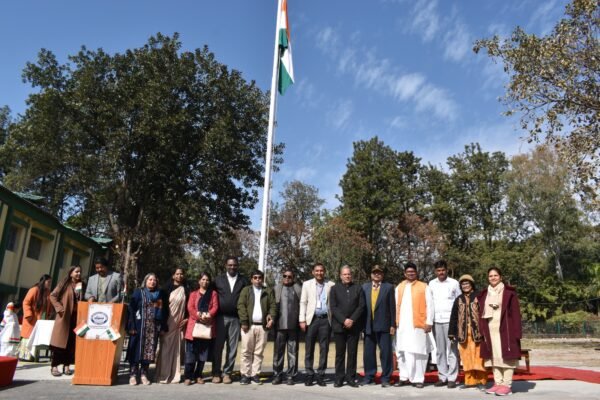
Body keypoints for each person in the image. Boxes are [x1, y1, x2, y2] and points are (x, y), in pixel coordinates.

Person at [477, 267, 522, 396]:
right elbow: (480, 314)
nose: (493, 278)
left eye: (495, 275)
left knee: (507, 357)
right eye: (490, 276)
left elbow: (516, 313)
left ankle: (507, 385)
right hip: (490, 330)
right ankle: (498, 383)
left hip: (506, 330)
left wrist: (517, 332)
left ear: (501, 277)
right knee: (494, 357)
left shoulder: (509, 293)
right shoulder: (484, 294)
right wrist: (481, 330)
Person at [394, 262, 434, 388]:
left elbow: (430, 305)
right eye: (408, 272)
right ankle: (403, 377)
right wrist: (394, 323)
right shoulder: (399, 287)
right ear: (404, 273)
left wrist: (429, 322)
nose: (410, 273)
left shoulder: (424, 286)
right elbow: (395, 305)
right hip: (402, 325)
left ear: (416, 273)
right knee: (402, 351)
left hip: (418, 325)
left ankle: (418, 379)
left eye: (413, 271)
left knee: (419, 352)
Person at [126, 273, 169, 386]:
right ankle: (133, 375)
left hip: (153, 328)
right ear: (145, 281)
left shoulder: (159, 294)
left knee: (149, 352)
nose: (152, 282)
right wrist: (131, 326)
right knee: (136, 350)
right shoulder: (139, 292)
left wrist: (163, 326)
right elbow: (131, 309)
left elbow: (163, 311)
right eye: (150, 280)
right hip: (139, 327)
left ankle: (144, 374)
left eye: (154, 280)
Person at [211, 256, 249, 384]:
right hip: (220, 318)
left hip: (236, 319)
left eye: (234, 265)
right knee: (218, 347)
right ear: (226, 265)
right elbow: (211, 296)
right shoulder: (218, 280)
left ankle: (227, 373)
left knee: (232, 348)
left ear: (238, 266)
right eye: (230, 265)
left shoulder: (243, 280)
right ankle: (216, 373)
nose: (232, 267)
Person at [237, 269, 276, 385]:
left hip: (262, 327)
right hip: (248, 326)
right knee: (246, 351)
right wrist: (244, 321)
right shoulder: (246, 290)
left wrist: (271, 316)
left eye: (260, 278)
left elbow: (273, 306)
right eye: (255, 278)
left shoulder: (268, 291)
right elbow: (241, 305)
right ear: (251, 279)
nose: (258, 280)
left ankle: (255, 375)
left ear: (262, 279)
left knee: (259, 352)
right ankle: (245, 375)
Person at [448, 274, 487, 391]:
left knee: (479, 357)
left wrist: (485, 330)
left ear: (472, 284)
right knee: (466, 357)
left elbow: (484, 313)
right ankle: (470, 381)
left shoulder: (479, 296)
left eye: (467, 283)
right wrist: (451, 333)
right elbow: (454, 317)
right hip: (463, 333)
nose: (465, 286)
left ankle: (481, 380)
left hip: (478, 333)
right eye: (463, 284)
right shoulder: (458, 299)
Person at [299, 263, 335, 387]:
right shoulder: (307, 284)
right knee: (309, 349)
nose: (319, 273)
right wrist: (302, 320)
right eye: (317, 271)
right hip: (312, 320)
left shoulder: (331, 285)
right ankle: (309, 374)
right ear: (313, 272)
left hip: (326, 320)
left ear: (324, 272)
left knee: (324, 349)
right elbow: (303, 302)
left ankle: (321, 375)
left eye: (321, 270)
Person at [329, 265, 365, 388]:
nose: (347, 276)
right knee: (340, 354)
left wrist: (352, 320)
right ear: (341, 276)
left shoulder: (358, 288)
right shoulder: (334, 289)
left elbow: (361, 306)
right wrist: (344, 320)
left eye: (349, 274)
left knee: (352, 353)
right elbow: (333, 307)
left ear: (351, 275)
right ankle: (339, 378)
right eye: (345, 274)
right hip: (339, 326)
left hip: (354, 327)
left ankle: (351, 378)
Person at [361, 265, 396, 388]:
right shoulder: (364, 287)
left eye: (379, 273)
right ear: (371, 275)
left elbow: (392, 307)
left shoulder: (389, 287)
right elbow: (362, 308)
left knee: (385, 353)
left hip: (384, 325)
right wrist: (361, 326)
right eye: (374, 272)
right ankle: (369, 377)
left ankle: (386, 378)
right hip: (368, 325)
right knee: (368, 354)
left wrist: (392, 324)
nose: (377, 274)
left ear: (382, 275)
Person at [429, 260, 461, 388]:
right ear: (435, 271)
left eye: (443, 270)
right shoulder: (431, 284)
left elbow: (459, 301)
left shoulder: (454, 283)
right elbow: (430, 303)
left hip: (450, 321)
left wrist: (457, 321)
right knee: (440, 351)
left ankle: (452, 378)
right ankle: (442, 377)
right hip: (437, 321)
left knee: (452, 350)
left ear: (446, 270)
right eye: (438, 270)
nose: (441, 272)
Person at [49, 265, 85, 377]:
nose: (79, 274)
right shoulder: (64, 284)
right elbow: (53, 296)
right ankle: (54, 366)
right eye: (76, 272)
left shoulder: (82, 285)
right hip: (64, 317)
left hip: (76, 318)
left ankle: (67, 365)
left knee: (71, 343)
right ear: (71, 273)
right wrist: (59, 308)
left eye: (80, 272)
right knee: (59, 343)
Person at [155, 268, 190, 384]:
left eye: (181, 274)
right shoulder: (165, 289)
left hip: (179, 324)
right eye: (177, 274)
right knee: (165, 348)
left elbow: (188, 306)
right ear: (173, 275)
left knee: (177, 349)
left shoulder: (186, 289)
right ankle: (163, 374)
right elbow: (161, 307)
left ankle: (175, 374)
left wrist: (187, 318)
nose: (179, 276)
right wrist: (162, 324)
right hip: (167, 323)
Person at [183, 272, 218, 386]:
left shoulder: (213, 294)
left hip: (206, 326)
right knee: (190, 353)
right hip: (194, 327)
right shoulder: (193, 294)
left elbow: (215, 307)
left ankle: (198, 375)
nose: (205, 282)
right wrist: (199, 316)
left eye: (207, 280)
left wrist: (208, 315)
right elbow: (190, 307)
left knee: (203, 354)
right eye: (203, 279)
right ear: (199, 281)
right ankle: (188, 376)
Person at [272, 268, 302, 385]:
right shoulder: (276, 288)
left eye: (289, 276)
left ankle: (291, 376)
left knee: (292, 352)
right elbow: (272, 306)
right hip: (279, 326)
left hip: (294, 326)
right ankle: (277, 375)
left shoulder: (298, 289)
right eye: (285, 276)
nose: (287, 278)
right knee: (278, 352)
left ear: (293, 278)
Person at [19, 274, 53, 361]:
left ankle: (34, 357)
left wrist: (49, 314)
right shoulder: (34, 290)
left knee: (37, 337)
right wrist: (29, 314)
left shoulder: (48, 292)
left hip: (42, 319)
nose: (50, 284)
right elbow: (26, 302)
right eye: (48, 282)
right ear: (43, 281)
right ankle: (25, 356)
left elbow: (49, 305)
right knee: (29, 336)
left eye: (50, 282)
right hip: (32, 318)